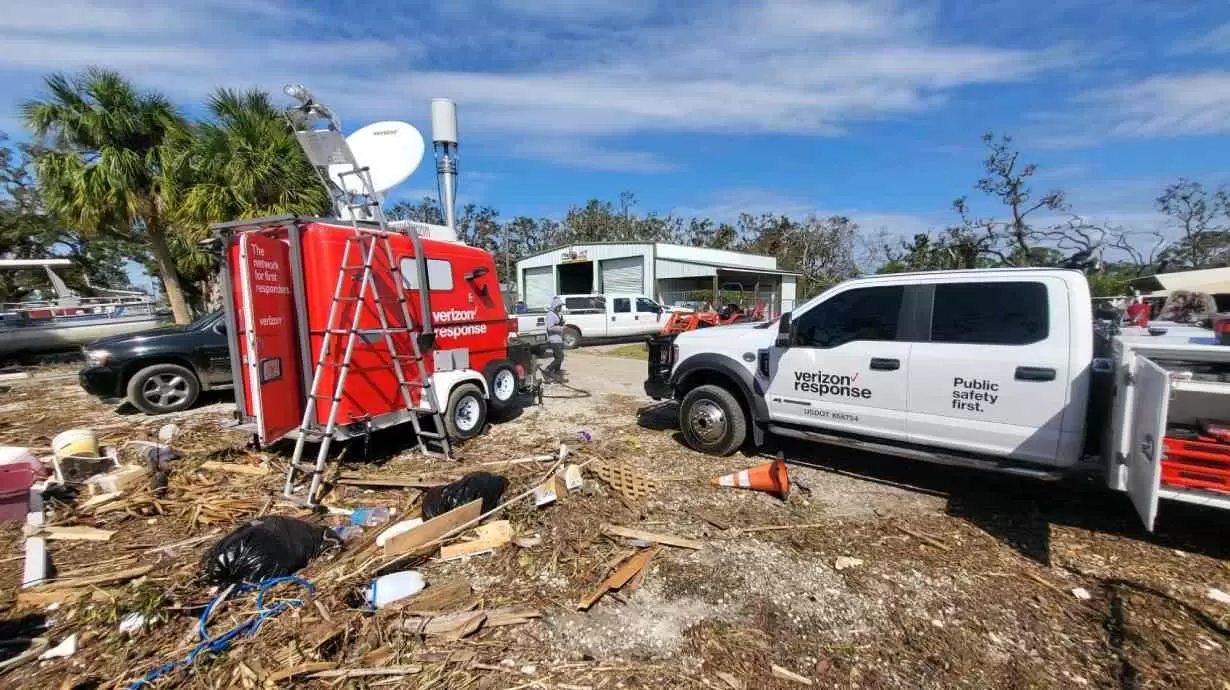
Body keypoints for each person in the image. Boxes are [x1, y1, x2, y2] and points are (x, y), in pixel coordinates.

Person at [544, 296, 566, 382]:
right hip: (554, 340)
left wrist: (561, 323)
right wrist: (561, 328)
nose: (561, 308)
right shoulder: (550, 315)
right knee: (560, 357)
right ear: (555, 306)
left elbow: (556, 325)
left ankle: (557, 376)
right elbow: (550, 327)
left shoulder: (556, 314)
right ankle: (547, 370)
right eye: (559, 306)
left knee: (559, 357)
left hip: (558, 339)